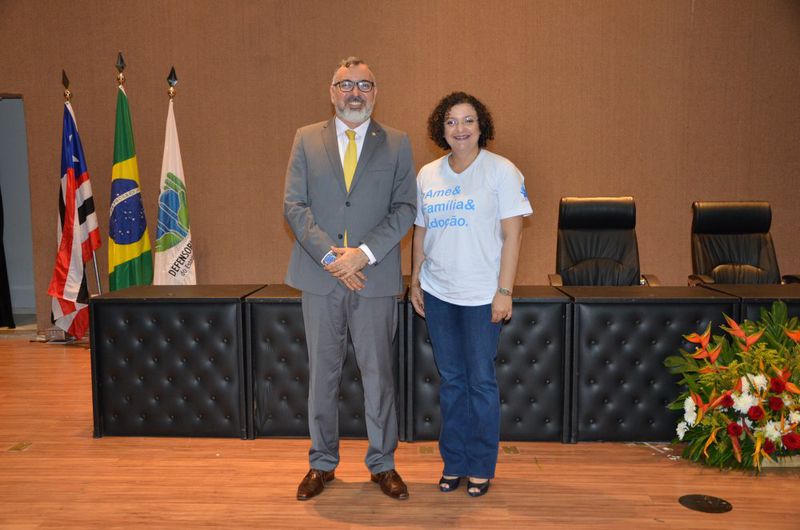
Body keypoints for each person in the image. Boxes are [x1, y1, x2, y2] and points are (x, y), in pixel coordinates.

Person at [284, 57, 416, 501]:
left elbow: (405, 209)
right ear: (332, 91)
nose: (354, 92)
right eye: (345, 84)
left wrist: (362, 255)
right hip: (321, 279)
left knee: (379, 375)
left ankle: (383, 464)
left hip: (374, 279)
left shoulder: (397, 143)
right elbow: (294, 207)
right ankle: (322, 463)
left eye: (364, 84)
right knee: (322, 375)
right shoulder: (305, 139)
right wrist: (331, 258)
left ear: (376, 92)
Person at [410, 92, 532, 497]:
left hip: (483, 296)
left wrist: (504, 291)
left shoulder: (502, 171)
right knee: (452, 382)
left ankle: (481, 465)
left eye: (467, 121)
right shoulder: (427, 174)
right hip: (439, 293)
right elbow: (421, 232)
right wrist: (415, 280)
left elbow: (513, 234)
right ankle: (454, 462)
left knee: (480, 382)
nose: (459, 129)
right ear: (439, 129)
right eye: (450, 122)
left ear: (482, 127)